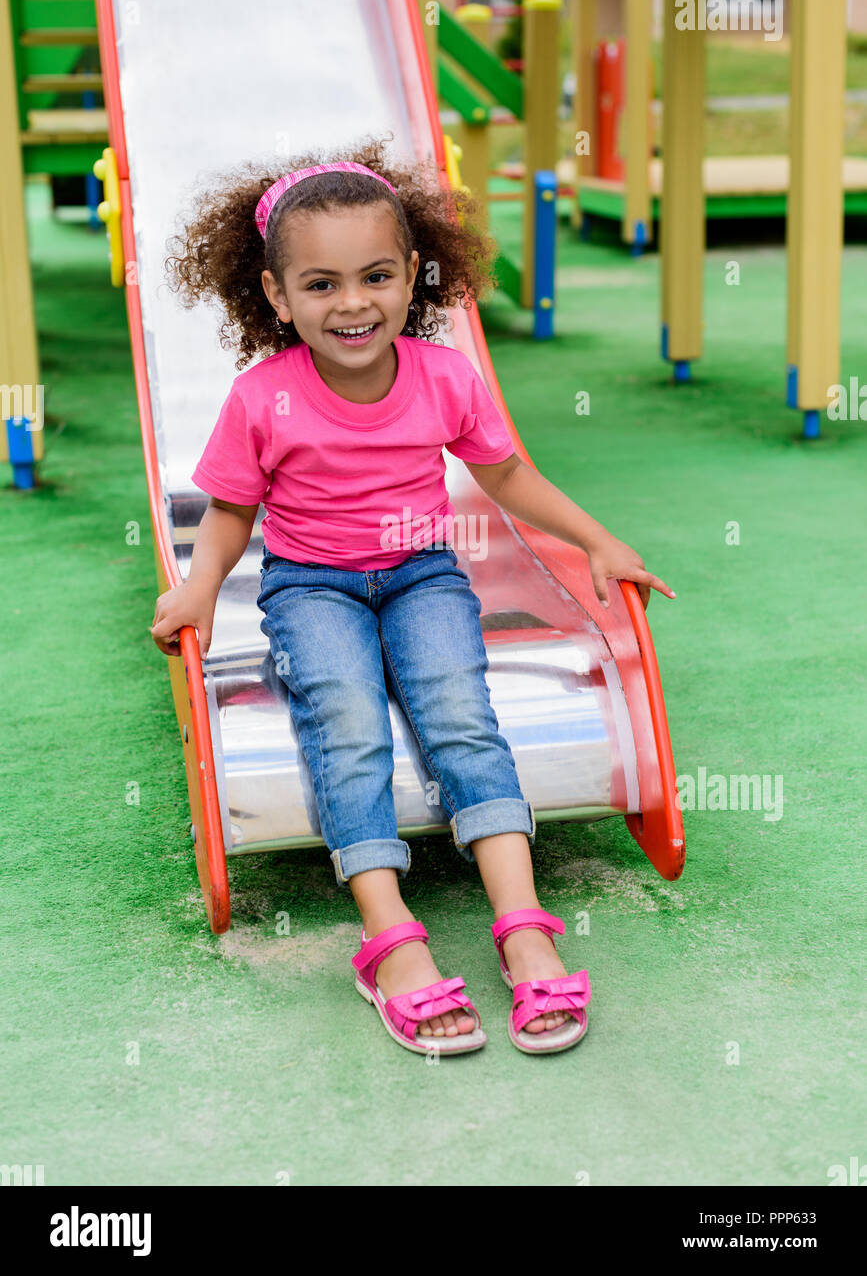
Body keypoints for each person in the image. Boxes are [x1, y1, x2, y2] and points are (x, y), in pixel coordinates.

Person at [151, 137, 676, 1057]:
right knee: (346, 719)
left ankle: (521, 926)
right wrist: (200, 589)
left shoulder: (442, 376)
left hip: (422, 576)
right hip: (311, 588)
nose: (352, 303)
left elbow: (507, 475)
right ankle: (389, 938)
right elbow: (231, 512)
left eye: (376, 276)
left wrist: (596, 538)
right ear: (276, 297)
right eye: (319, 285)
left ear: (413, 277)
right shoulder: (262, 398)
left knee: (457, 712)